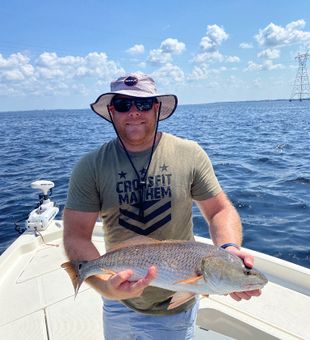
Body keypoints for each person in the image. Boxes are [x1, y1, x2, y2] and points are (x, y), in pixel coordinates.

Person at [63, 73, 262, 339]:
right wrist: (107, 289)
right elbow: (76, 235)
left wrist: (228, 249)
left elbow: (219, 210)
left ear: (156, 107)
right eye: (123, 104)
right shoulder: (90, 166)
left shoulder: (190, 154)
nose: (134, 112)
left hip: (176, 312)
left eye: (143, 104)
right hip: (118, 305)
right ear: (112, 111)